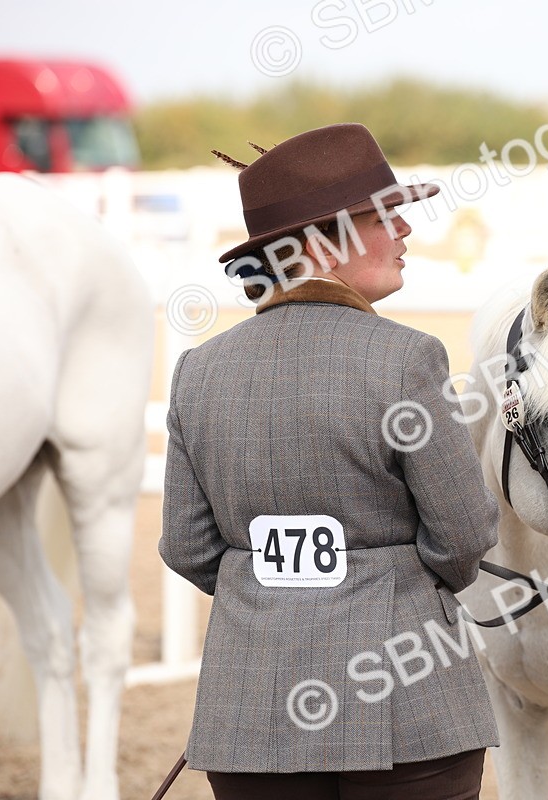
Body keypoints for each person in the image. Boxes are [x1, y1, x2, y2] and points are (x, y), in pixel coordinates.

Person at [159, 123, 501, 799]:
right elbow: (463, 535)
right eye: (383, 217)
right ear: (321, 246)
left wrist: (274, 592)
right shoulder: (408, 358)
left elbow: (187, 546)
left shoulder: (198, 370)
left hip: (250, 707)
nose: (405, 230)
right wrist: (389, 582)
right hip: (408, 705)